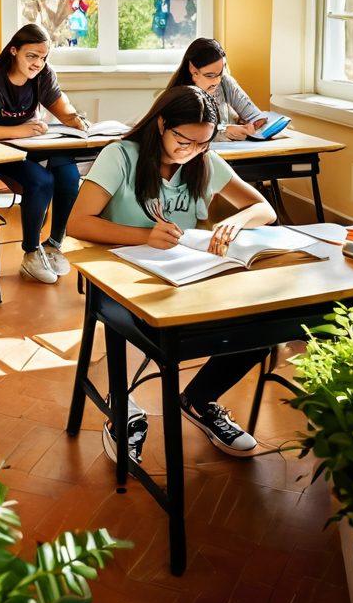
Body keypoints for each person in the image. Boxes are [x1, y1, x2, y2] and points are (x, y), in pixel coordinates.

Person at [67, 85, 277, 459]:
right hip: (122, 280)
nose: (192, 151)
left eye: (202, 143)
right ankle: (124, 408)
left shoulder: (203, 161)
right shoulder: (121, 156)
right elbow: (78, 224)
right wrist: (144, 236)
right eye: (184, 140)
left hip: (185, 278)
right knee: (147, 331)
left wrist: (237, 222)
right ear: (161, 123)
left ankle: (200, 399)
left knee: (264, 325)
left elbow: (263, 208)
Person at [0, 23, 85, 285]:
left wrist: (74, 119)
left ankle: (54, 244)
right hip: (0, 153)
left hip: (34, 146)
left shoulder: (43, 75)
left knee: (68, 175)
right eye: (31, 56)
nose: (38, 64)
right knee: (41, 181)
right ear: (14, 51)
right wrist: (23, 130)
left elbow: (62, 108)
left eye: (43, 58)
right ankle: (31, 253)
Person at [167, 37, 266, 140]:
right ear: (193, 71)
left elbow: (254, 115)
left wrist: (255, 123)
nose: (217, 81)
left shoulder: (224, 82)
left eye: (220, 73)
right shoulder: (181, 95)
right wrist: (223, 131)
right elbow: (185, 132)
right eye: (210, 76)